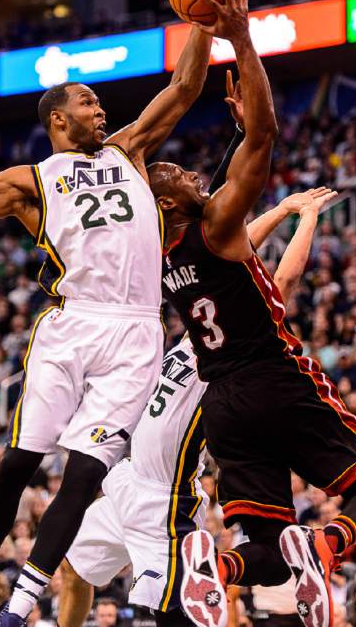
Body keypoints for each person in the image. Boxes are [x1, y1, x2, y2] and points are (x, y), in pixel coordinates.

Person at [0, 0, 257, 627]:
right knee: (18, 461)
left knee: (87, 471)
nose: (102, 110)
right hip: (72, 324)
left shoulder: (129, 148)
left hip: (135, 329)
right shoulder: (26, 182)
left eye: (101, 103)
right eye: (88, 103)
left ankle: (22, 603)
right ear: (57, 119)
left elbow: (183, 90)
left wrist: (207, 17)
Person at [147, 0, 356, 627]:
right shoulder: (218, 228)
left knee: (265, 547)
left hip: (223, 404)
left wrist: (270, 186)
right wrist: (239, 36)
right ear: (172, 203)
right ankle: (326, 546)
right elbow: (264, 139)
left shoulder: (169, 251)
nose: (193, 172)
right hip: (274, 378)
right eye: (180, 174)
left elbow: (241, 174)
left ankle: (218, 565)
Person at [57, 73, 334, 627]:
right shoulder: (192, 313)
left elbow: (277, 276)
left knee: (176, 612)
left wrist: (296, 216)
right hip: (128, 479)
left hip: (167, 495)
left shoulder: (231, 361)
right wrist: (284, 214)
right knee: (73, 569)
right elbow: (230, 251)